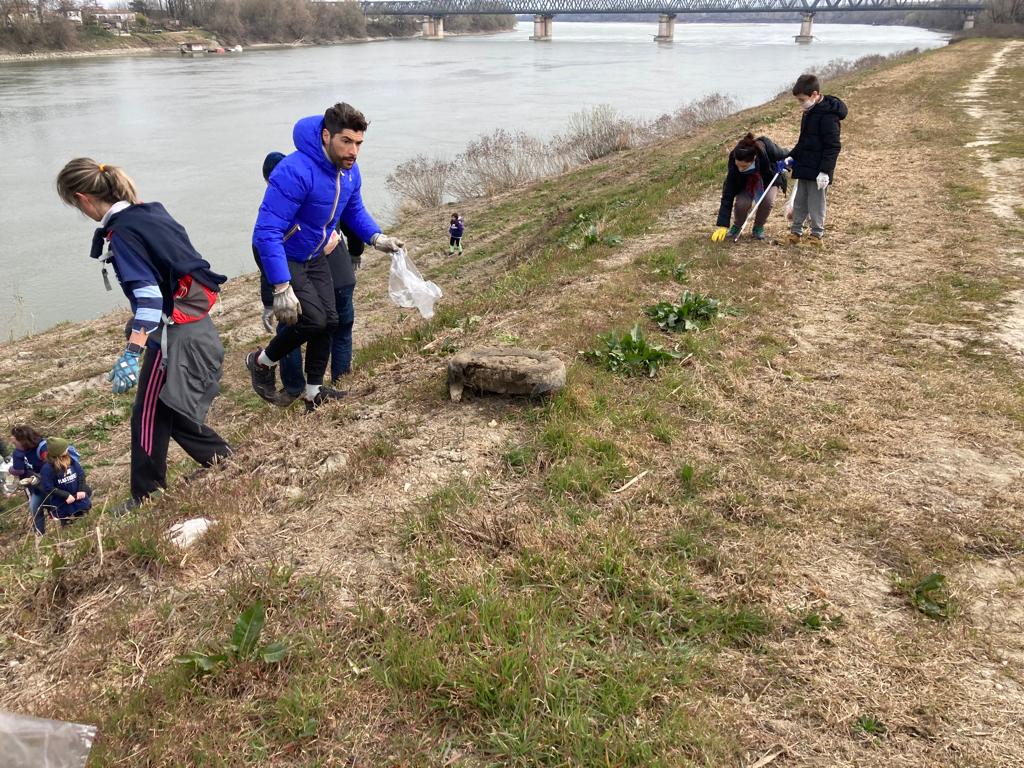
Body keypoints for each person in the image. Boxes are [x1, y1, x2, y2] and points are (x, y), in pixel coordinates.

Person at [56, 159, 233, 514]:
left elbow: (150, 299)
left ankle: (147, 493)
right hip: (190, 320)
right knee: (167, 407)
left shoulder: (123, 234)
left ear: (83, 198)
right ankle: (222, 457)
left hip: (171, 334)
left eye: (76, 205)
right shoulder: (150, 212)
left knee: (148, 413)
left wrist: (132, 353)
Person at [248, 102, 405, 411]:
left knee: (331, 321)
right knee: (314, 320)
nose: (353, 151)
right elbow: (267, 231)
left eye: (358, 143)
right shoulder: (294, 171)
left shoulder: (349, 172)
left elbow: (354, 209)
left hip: (316, 253)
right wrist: (280, 286)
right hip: (286, 253)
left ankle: (313, 392)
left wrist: (377, 238)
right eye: (346, 141)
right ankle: (261, 362)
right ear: (325, 136)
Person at [255, 152, 366, 403]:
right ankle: (327, 383)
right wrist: (355, 252)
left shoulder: (289, 203)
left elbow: (268, 256)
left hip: (321, 278)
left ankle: (299, 387)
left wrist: (270, 301)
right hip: (336, 276)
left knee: (311, 325)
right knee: (332, 327)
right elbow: (350, 219)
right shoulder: (319, 191)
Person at [774, 73, 847, 248]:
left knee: (816, 203)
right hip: (804, 166)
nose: (801, 103)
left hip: (819, 170)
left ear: (814, 94)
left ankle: (816, 236)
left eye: (802, 100)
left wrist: (825, 171)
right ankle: (795, 233)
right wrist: (791, 157)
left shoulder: (828, 116)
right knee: (799, 202)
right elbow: (804, 141)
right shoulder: (809, 112)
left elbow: (833, 147)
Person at [711, 133, 788, 242]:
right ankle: (737, 226)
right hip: (745, 183)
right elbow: (727, 195)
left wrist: (789, 161)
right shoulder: (734, 162)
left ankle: (758, 227)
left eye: (744, 166)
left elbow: (786, 153)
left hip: (769, 179)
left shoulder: (766, 147)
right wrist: (723, 225)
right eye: (738, 165)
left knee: (767, 201)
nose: (740, 169)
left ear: (754, 159)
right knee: (742, 203)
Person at [36, 437, 91, 534]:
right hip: (63, 503)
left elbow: (81, 474)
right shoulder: (47, 469)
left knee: (84, 521)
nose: (67, 449)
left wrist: (81, 489)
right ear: (58, 452)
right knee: (68, 526)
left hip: (79, 499)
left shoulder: (70, 460)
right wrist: (65, 495)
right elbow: (48, 487)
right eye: (65, 448)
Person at [7, 425, 47, 529]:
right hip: (35, 486)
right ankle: (39, 534)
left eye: (15, 442)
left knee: (54, 506)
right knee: (35, 508)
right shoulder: (18, 452)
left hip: (49, 484)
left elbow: (52, 467)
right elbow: (19, 469)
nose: (14, 444)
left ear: (24, 441)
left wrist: (10, 470)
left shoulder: (43, 448)